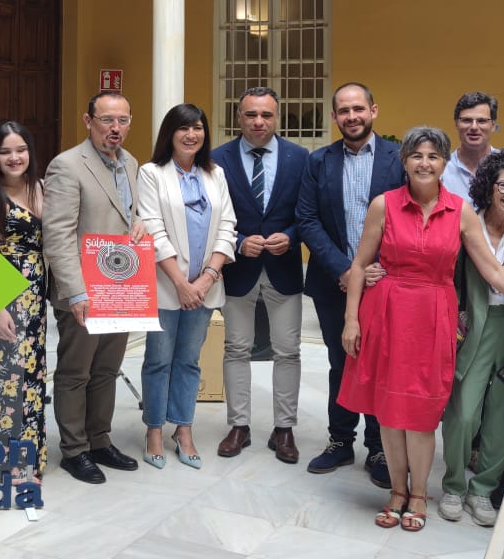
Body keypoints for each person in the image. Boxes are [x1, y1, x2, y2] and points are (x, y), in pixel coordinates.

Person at [338, 128, 504, 532]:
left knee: (422, 411)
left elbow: (492, 270)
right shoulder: (383, 205)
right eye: (417, 155)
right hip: (387, 312)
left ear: (445, 163)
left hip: (433, 316)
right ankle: (397, 492)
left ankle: (419, 494)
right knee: (389, 411)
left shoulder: (460, 211)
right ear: (405, 161)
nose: (425, 163)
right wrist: (351, 319)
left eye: (433, 156)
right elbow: (359, 265)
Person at [296, 82, 404, 487]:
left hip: (385, 281)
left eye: (359, 108)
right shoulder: (318, 161)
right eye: (344, 110)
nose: (352, 116)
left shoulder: (399, 158)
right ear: (334, 117)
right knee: (340, 362)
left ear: (373, 110)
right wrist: (344, 270)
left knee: (378, 364)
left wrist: (378, 268)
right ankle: (340, 441)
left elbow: (410, 216)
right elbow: (307, 219)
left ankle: (378, 447)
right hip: (332, 282)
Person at [43, 91, 146, 484]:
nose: (115, 128)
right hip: (83, 292)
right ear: (88, 121)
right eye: (106, 120)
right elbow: (58, 234)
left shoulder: (131, 163)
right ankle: (74, 450)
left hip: (119, 288)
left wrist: (140, 223)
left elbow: (128, 215)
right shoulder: (67, 165)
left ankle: (100, 440)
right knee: (76, 372)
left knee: (107, 369)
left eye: (122, 120)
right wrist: (76, 292)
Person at [438, 150, 504, 527]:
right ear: (488, 186)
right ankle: (453, 485)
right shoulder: (467, 224)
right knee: (463, 413)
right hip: (473, 328)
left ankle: (482, 490)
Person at [136, 104, 236, 470]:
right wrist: (181, 283)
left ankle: (184, 428)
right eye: (183, 128)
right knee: (158, 360)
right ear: (170, 133)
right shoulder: (151, 173)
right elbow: (152, 228)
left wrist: (206, 278)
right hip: (166, 287)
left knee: (189, 361)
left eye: (198, 128)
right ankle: (154, 429)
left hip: (204, 288)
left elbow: (228, 225)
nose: (191, 135)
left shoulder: (216, 174)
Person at [210, 87, 307, 463]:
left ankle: (284, 429)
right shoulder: (217, 160)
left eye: (266, 114)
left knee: (288, 350)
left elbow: (308, 212)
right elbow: (213, 214)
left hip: (284, 268)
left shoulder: (300, 158)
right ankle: (239, 426)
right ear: (238, 117)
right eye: (250, 114)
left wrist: (292, 236)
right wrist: (236, 242)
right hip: (239, 269)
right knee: (236, 348)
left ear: (277, 117)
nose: (258, 121)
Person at [0, 122, 48, 482]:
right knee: (2, 380)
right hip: (3, 296)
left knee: (31, 378)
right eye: (5, 152)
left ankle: (30, 458)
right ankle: (1, 461)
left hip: (35, 298)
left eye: (20, 150)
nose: (14, 158)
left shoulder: (41, 188)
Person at [442, 92, 500, 202]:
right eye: (467, 120)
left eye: (482, 121)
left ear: (493, 125)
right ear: (456, 124)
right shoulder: (442, 169)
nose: (474, 127)